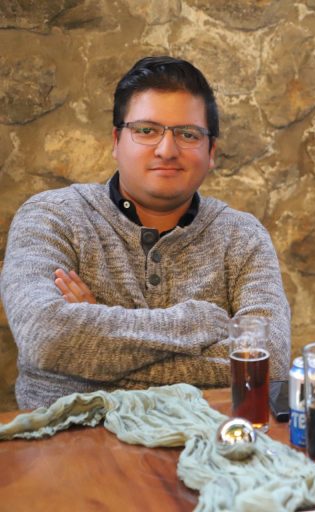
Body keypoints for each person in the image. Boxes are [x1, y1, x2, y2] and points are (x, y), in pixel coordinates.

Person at [1, 56, 291, 410]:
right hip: (69, 437)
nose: (166, 150)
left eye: (188, 134)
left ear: (211, 151)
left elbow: (270, 363)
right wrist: (200, 323)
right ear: (116, 140)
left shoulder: (242, 236)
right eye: (146, 130)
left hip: (208, 438)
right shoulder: (53, 217)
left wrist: (94, 342)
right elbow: (45, 337)